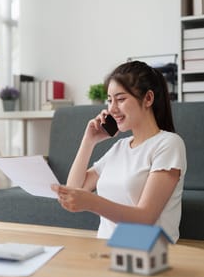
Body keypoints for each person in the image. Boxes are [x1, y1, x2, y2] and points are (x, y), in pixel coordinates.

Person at [51, 60, 187, 242]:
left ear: (148, 98)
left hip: (149, 254)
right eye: (109, 100)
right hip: (107, 250)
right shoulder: (121, 147)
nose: (112, 109)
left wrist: (92, 202)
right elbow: (74, 189)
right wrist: (88, 141)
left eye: (121, 99)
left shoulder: (168, 144)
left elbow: (145, 218)